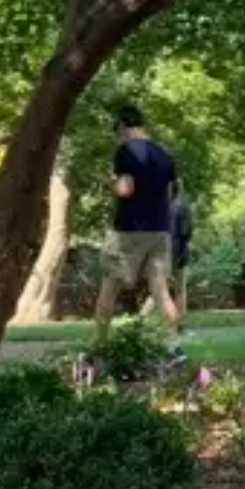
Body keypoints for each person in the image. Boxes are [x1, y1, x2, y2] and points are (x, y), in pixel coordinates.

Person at [93, 104, 183, 347]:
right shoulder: (164, 153)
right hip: (160, 229)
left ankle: (100, 344)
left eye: (116, 130)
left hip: (129, 229)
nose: (117, 136)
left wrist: (107, 182)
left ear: (122, 126)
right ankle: (174, 345)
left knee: (110, 284)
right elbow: (173, 191)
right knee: (161, 289)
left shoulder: (125, 151)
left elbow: (125, 189)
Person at [170, 190, 197, 323]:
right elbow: (186, 232)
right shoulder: (182, 207)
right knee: (180, 290)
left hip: (159, 251)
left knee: (158, 289)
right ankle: (180, 322)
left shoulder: (158, 207)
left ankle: (140, 319)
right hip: (178, 252)